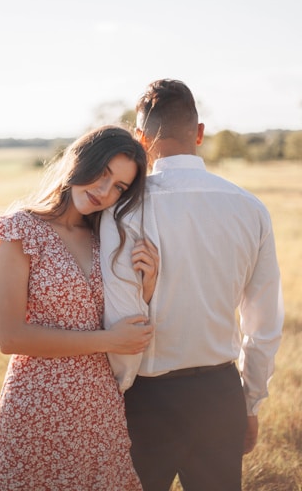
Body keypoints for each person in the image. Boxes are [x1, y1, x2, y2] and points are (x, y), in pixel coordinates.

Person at [100, 80, 284, 491]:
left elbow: (121, 319)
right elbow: (264, 322)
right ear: (199, 133)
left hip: (144, 399)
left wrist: (121, 396)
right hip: (219, 395)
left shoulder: (122, 212)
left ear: (140, 140)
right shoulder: (250, 208)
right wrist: (250, 402)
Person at [0, 125, 158, 491]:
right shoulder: (19, 231)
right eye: (102, 174)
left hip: (99, 408)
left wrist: (149, 280)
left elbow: (127, 321)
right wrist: (108, 340)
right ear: (80, 160)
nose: (105, 192)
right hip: (39, 406)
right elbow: (10, 337)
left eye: (119, 187)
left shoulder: (106, 236)